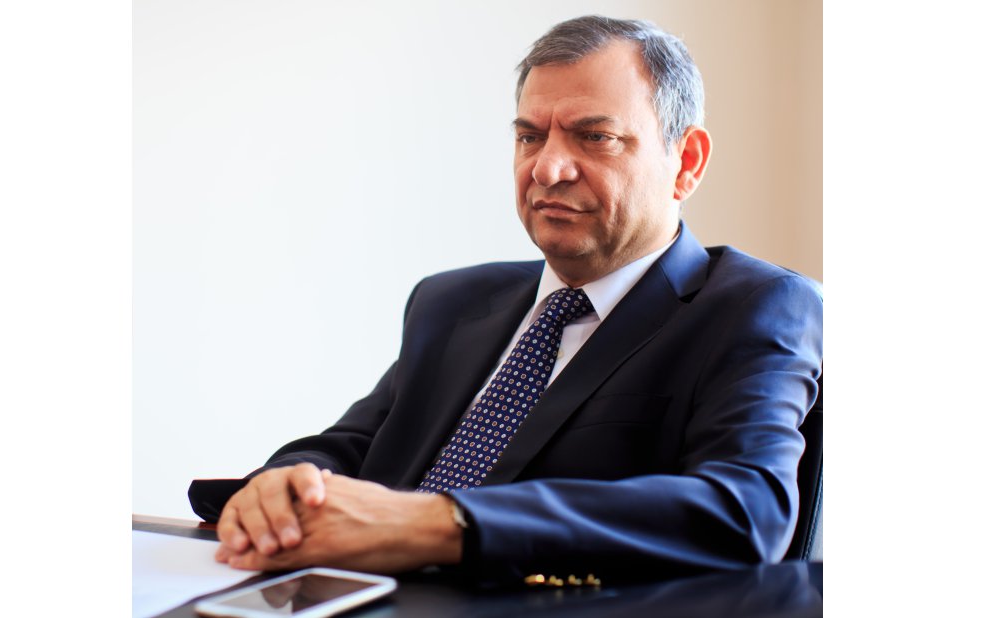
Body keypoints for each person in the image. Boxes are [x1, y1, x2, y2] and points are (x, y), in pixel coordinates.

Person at [188, 15, 823, 586]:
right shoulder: (452, 300)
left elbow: (743, 513)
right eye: (530, 137)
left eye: (594, 137)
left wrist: (439, 523)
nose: (547, 169)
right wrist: (284, 486)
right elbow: (354, 448)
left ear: (686, 161)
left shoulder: (757, 305)